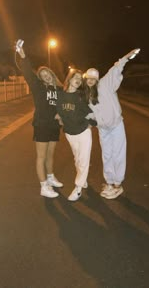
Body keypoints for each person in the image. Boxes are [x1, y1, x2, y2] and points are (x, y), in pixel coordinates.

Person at [83, 49, 140, 200]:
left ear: (97, 79)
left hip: (116, 125)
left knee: (118, 154)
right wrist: (89, 120)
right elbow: (92, 113)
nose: (90, 81)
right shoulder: (88, 95)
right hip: (103, 129)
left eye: (93, 78)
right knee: (107, 155)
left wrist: (127, 57)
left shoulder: (105, 85)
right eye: (88, 78)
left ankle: (117, 185)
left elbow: (115, 69)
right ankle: (109, 182)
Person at [14, 39, 63, 198]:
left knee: (50, 155)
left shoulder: (59, 89)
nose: (46, 76)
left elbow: (64, 105)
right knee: (41, 156)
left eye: (47, 73)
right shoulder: (38, 87)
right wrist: (22, 55)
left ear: (51, 74)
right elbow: (28, 72)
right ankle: (43, 186)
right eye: (42, 75)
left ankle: (50, 178)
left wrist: (61, 114)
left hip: (54, 126)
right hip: (41, 124)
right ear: (40, 78)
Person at [56, 69, 96, 201]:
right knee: (77, 159)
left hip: (84, 132)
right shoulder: (60, 95)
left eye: (80, 79)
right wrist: (60, 119)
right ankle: (82, 179)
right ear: (69, 79)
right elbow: (57, 111)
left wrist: (91, 123)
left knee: (84, 160)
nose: (78, 80)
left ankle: (78, 188)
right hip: (70, 133)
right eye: (76, 77)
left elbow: (90, 112)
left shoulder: (80, 96)